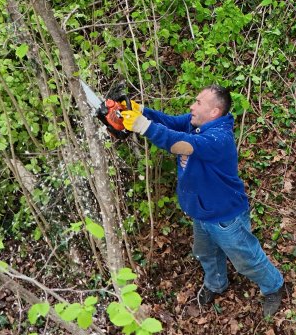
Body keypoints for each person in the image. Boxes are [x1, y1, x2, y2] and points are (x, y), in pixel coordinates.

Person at [119, 85, 286, 317]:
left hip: (225, 217)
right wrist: (142, 111)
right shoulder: (196, 123)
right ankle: (216, 284)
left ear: (214, 112)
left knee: (246, 259)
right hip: (201, 211)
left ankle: (274, 286)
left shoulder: (219, 138)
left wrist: (143, 126)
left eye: (198, 103)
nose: (192, 106)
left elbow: (179, 143)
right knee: (205, 253)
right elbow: (170, 123)